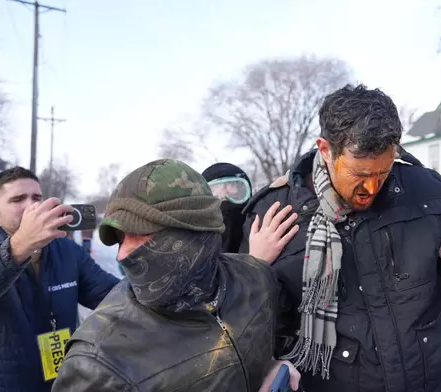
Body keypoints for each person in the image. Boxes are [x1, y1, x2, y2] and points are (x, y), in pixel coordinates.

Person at [241, 84, 441, 392]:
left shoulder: (427, 190)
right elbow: (256, 319)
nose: (371, 189)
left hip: (440, 381)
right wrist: (253, 269)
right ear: (326, 150)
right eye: (358, 175)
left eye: (381, 175)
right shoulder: (274, 214)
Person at [53, 159, 301, 392]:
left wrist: (271, 368)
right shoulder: (97, 361)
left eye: (141, 235)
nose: (122, 255)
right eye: (120, 239)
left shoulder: (255, 280)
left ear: (195, 232)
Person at [0, 166, 119, 392]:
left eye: (37, 197)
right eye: (18, 199)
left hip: (60, 381)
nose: (32, 205)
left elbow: (112, 297)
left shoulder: (67, 250)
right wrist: (21, 245)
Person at [202, 162, 252, 253]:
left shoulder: (259, 232)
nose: (224, 198)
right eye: (215, 189)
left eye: (231, 185)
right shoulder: (194, 242)